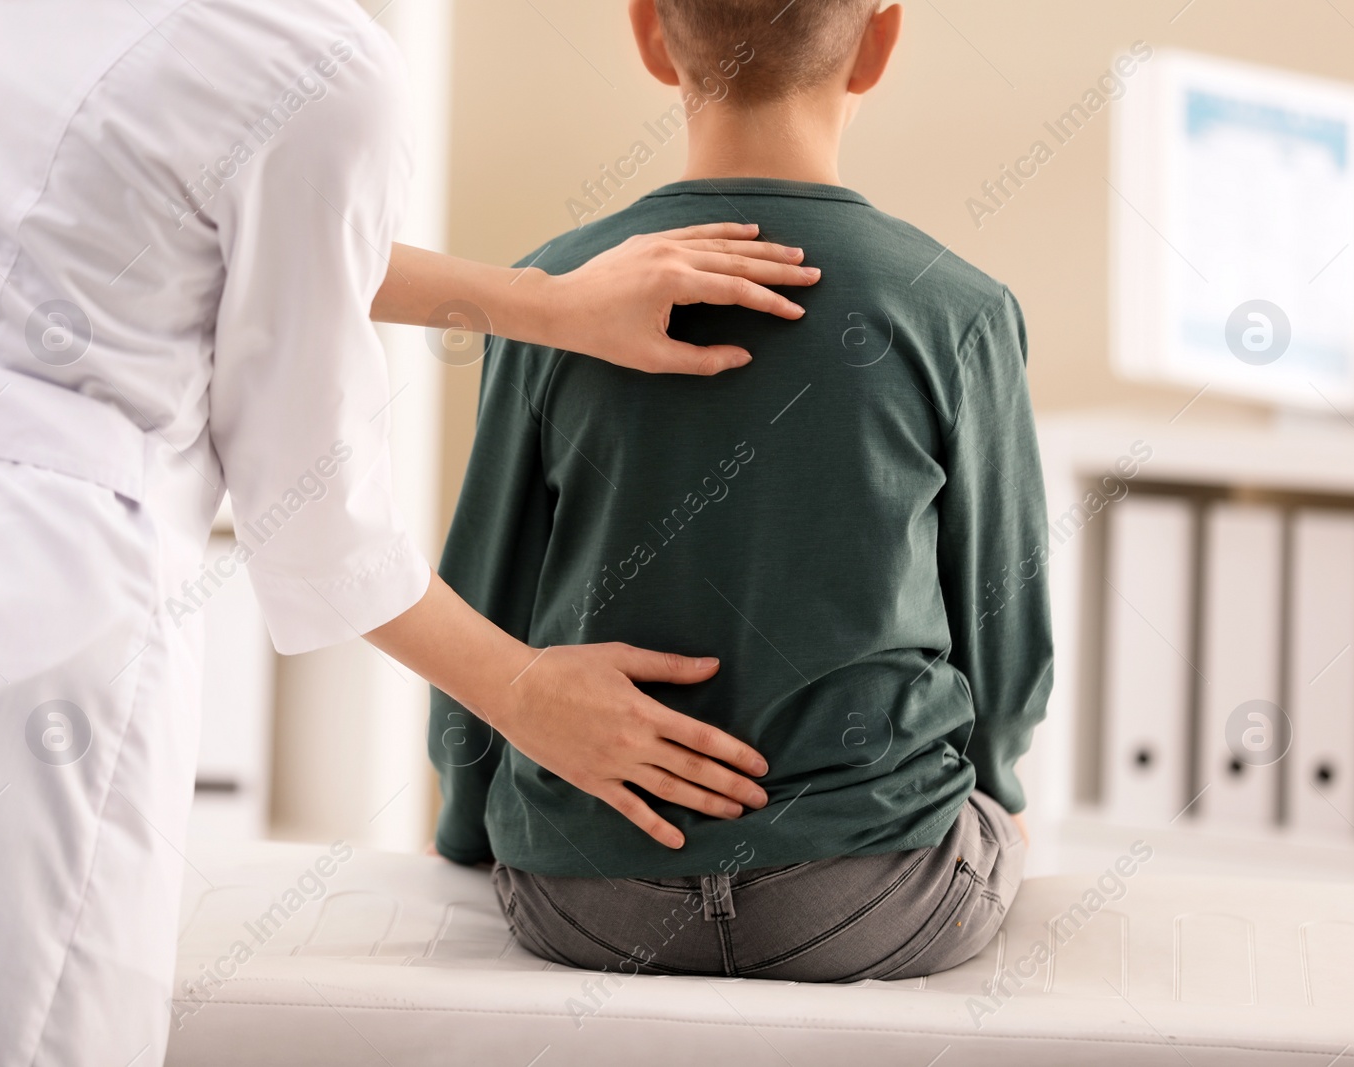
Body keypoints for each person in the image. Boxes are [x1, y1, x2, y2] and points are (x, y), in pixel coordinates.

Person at [0, 2, 821, 1064]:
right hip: (28, 646)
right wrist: (520, 692)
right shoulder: (316, 65)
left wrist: (538, 303)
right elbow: (311, 504)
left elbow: (159, 221)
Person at [431, 0, 1052, 982]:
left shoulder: (549, 291)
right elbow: (1001, 625)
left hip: (584, 896)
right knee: (989, 828)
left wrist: (468, 827)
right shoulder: (959, 309)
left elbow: (482, 588)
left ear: (647, 30)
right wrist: (999, 787)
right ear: (880, 41)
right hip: (871, 895)